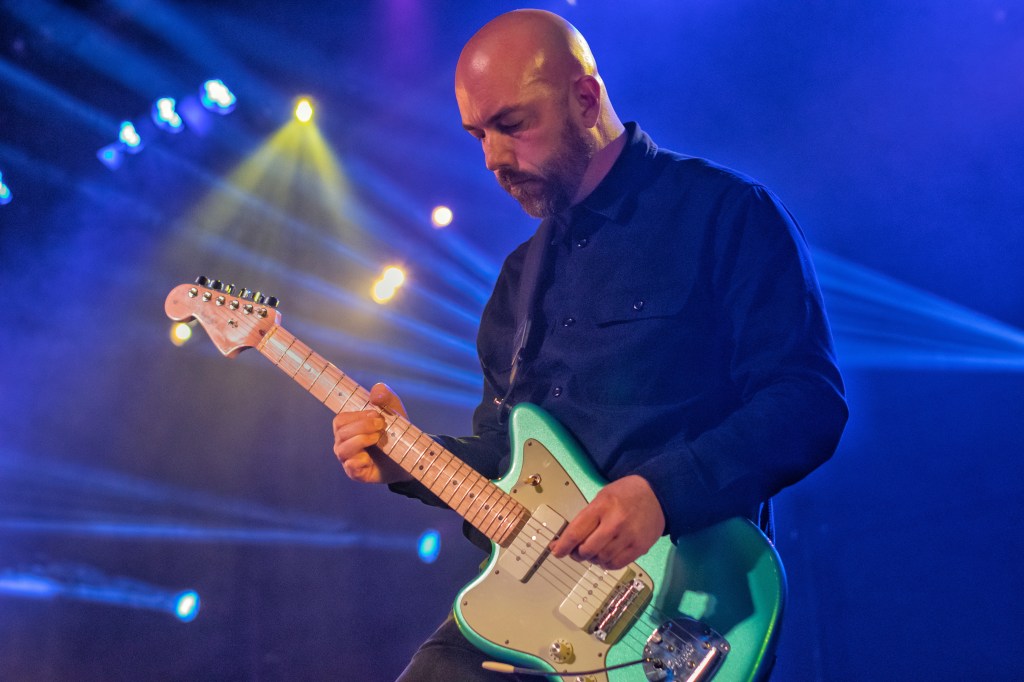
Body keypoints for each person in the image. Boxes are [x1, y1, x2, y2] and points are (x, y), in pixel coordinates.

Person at [331, 9, 847, 680]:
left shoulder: (724, 213)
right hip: (545, 609)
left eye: (512, 124)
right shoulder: (517, 282)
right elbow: (506, 461)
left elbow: (806, 401)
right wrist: (408, 458)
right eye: (478, 134)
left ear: (584, 97)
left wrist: (661, 493)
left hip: (681, 610)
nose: (493, 158)